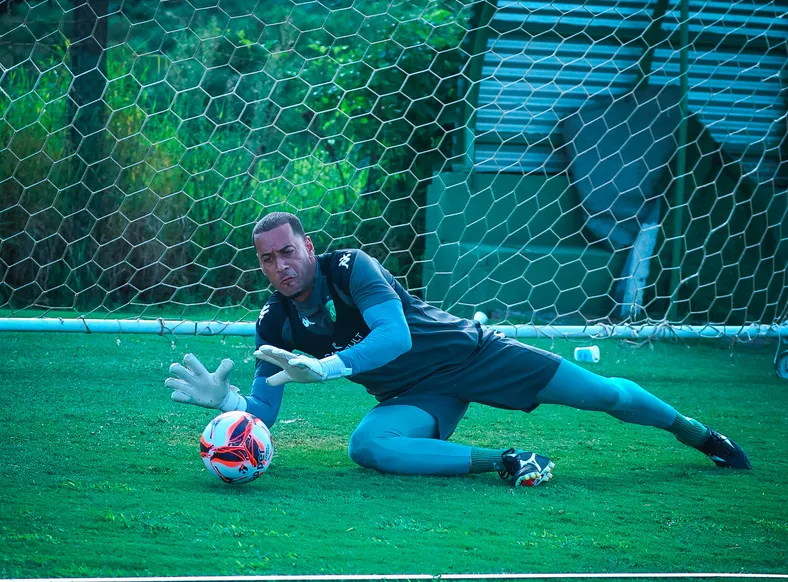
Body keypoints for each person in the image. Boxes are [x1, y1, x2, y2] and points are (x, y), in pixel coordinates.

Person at [165, 212, 751, 487]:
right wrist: (232, 404)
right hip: (416, 394)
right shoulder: (274, 323)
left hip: (477, 356)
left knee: (604, 397)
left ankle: (698, 435)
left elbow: (395, 335)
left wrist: (332, 367)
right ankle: (507, 460)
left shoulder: (351, 267)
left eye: (287, 251)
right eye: (267, 258)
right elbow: (263, 420)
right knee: (368, 445)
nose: (280, 265)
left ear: (307, 247)